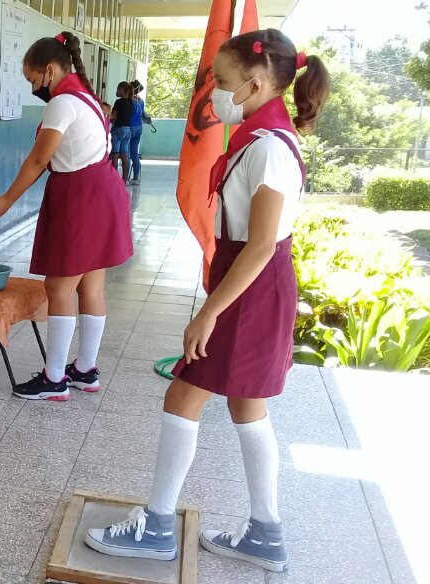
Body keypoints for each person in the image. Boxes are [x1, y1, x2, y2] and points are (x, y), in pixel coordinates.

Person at [84, 29, 329, 573]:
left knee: (184, 394)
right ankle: (266, 533)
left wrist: (210, 311)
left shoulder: (269, 149)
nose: (215, 92)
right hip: (253, 283)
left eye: (222, 81)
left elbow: (262, 243)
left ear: (257, 82)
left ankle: (156, 526)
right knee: (247, 405)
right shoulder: (262, 138)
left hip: (250, 287)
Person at [0, 32, 132, 400]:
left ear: (49, 71)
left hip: (80, 196)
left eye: (33, 80)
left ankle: (54, 379)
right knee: (91, 286)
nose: (34, 87)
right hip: (103, 190)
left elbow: (38, 159)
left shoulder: (63, 103)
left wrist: (6, 199)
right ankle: (84, 369)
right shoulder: (89, 98)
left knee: (60, 287)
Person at [110, 82, 134, 182]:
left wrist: (107, 113)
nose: (117, 91)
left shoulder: (119, 102)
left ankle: (114, 179)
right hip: (128, 130)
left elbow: (113, 117)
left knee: (115, 155)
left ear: (123, 90)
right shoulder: (131, 102)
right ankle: (125, 180)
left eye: (118, 89)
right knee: (125, 154)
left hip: (118, 129)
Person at [128, 80, 147, 184]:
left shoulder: (129, 101)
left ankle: (124, 177)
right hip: (139, 127)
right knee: (134, 152)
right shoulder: (141, 101)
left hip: (130, 127)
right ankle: (136, 177)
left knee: (125, 152)